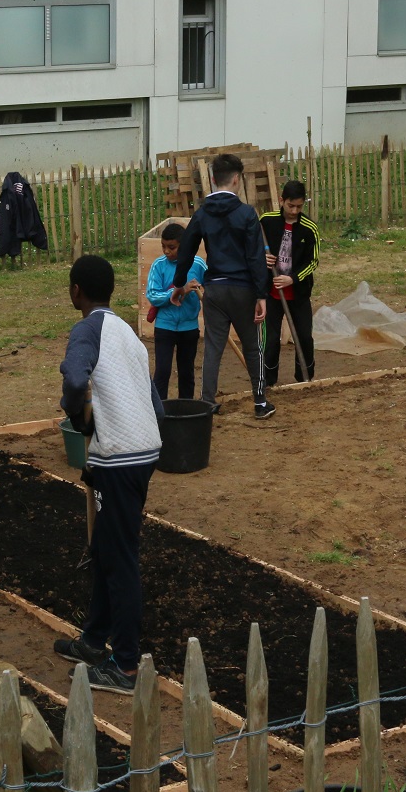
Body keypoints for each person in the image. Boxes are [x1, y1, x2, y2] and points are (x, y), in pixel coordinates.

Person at [53, 255, 163, 695]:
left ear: (76, 291)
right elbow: (153, 399)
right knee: (105, 548)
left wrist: (81, 420)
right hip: (141, 452)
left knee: (120, 559)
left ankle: (127, 666)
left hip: (120, 458)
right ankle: (95, 642)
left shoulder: (86, 330)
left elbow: (75, 381)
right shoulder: (128, 334)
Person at [171, 153, 274, 418]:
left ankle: (207, 403)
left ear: (213, 179)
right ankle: (260, 402)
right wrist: (261, 294)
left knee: (213, 350)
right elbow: (255, 257)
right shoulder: (246, 214)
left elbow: (186, 252)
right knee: (253, 347)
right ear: (237, 180)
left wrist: (178, 284)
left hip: (215, 290)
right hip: (243, 290)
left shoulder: (203, 214)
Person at [259, 180, 320, 385]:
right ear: (281, 201)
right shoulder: (266, 222)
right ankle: (268, 381)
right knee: (271, 339)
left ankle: (304, 378)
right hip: (272, 293)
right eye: (290, 206)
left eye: (299, 207)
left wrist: (292, 278)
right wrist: (262, 258)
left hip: (299, 294)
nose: (294, 211)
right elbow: (252, 248)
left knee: (304, 337)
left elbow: (313, 262)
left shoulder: (309, 228)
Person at [144, 222, 207, 400]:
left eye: (171, 247)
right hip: (165, 327)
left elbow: (210, 287)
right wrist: (178, 291)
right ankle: (159, 411)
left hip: (189, 328)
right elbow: (152, 295)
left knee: (187, 373)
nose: (166, 251)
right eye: (163, 246)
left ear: (184, 244)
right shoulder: (158, 265)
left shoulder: (198, 264)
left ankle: (186, 411)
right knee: (162, 372)